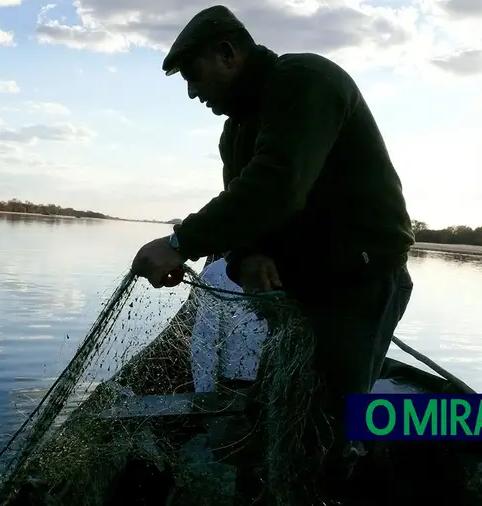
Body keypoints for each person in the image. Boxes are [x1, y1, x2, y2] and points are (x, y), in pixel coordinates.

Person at [130, 4, 416, 497]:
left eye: (194, 76)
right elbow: (250, 214)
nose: (194, 92)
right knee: (280, 406)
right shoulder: (236, 131)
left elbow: (278, 185)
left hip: (359, 283)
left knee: (331, 424)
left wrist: (180, 243)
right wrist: (248, 255)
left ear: (227, 53)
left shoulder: (305, 79)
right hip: (303, 288)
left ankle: (339, 483)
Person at [190, 256, 268, 393]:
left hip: (270, 381)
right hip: (237, 384)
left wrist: (205, 394)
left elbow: (204, 342)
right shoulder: (213, 275)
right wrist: (206, 394)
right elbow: (205, 341)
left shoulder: (213, 272)